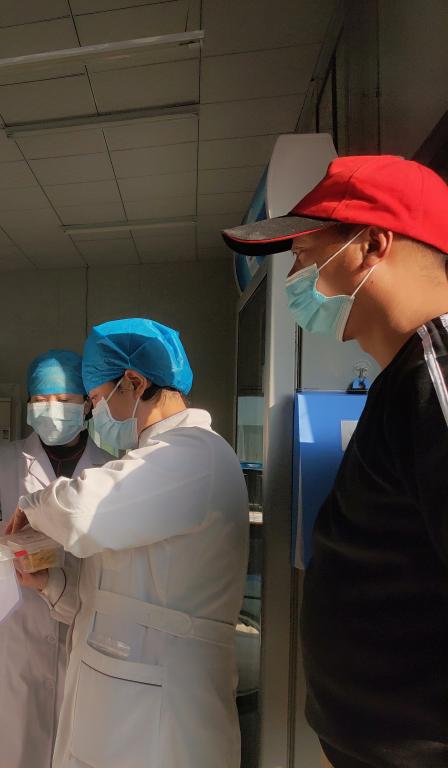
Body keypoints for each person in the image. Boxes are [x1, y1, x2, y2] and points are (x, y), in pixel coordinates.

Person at [222, 155, 448, 768]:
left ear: (372, 244)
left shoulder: (437, 374)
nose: (295, 276)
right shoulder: (400, 380)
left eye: (303, 254)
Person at [7, 318, 249, 768]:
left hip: (162, 713)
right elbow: (114, 595)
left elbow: (80, 512)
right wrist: (49, 584)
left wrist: (31, 504)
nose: (94, 412)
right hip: (124, 702)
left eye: (97, 399)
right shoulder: (153, 460)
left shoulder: (195, 454)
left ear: (134, 383)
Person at [0, 349, 110, 768]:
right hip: (5, 628)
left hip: (78, 621)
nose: (52, 409)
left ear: (87, 404)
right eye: (42, 399)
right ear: (29, 404)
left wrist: (18, 536)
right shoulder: (2, 461)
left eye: (64, 400)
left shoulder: (107, 469)